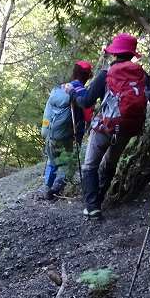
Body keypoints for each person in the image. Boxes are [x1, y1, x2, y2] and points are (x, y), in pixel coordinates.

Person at [67, 33, 150, 220]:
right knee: (111, 163)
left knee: (90, 166)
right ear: (132, 54)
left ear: (114, 53)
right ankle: (99, 199)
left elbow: (86, 101)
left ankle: (92, 207)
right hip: (126, 129)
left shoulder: (105, 74)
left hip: (104, 127)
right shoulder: (141, 74)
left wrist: (73, 93)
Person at [39, 61, 94, 200]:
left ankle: (47, 185)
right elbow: (87, 116)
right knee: (68, 160)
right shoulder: (81, 91)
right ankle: (57, 188)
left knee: (52, 159)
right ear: (87, 76)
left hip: (51, 132)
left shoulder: (60, 88)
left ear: (74, 72)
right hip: (69, 134)